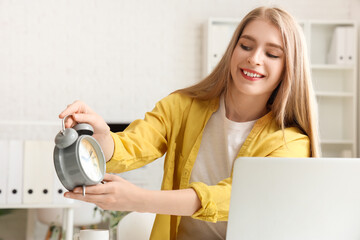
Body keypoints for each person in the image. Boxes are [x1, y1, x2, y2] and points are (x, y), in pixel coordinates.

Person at [60, 6, 320, 240]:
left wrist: (139, 199)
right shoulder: (182, 106)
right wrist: (103, 135)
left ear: (289, 68)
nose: (254, 58)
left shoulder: (292, 142)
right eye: (246, 46)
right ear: (232, 50)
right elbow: (132, 146)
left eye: (272, 54)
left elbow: (236, 196)